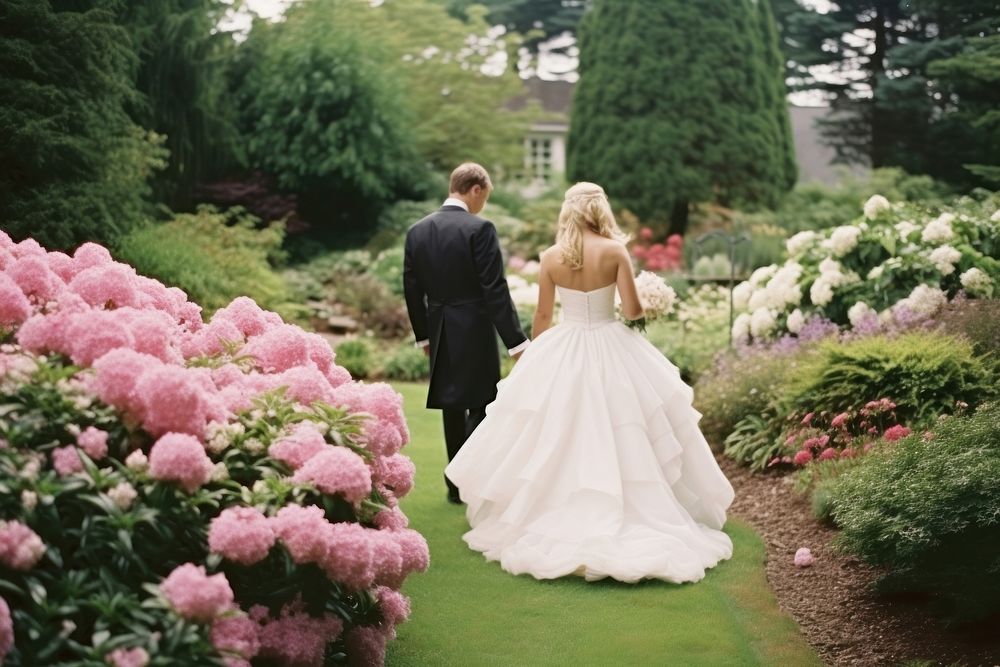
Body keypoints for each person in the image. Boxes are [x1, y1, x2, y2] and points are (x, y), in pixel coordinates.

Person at [444, 182, 736, 584]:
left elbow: (543, 317)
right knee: (626, 426)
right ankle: (631, 507)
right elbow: (631, 309)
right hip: (611, 342)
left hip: (565, 343)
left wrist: (535, 362)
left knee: (560, 431)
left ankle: (553, 511)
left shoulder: (550, 257)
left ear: (568, 212)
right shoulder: (615, 251)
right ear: (600, 211)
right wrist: (635, 305)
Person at [403, 163, 529, 504]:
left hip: (440, 328)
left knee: (452, 406)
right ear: (476, 189)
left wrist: (424, 337)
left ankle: (455, 485)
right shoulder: (480, 229)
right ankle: (471, 479)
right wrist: (516, 342)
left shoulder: (417, 231)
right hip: (474, 328)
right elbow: (495, 290)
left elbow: (412, 290)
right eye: (484, 197)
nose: (483, 204)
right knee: (483, 404)